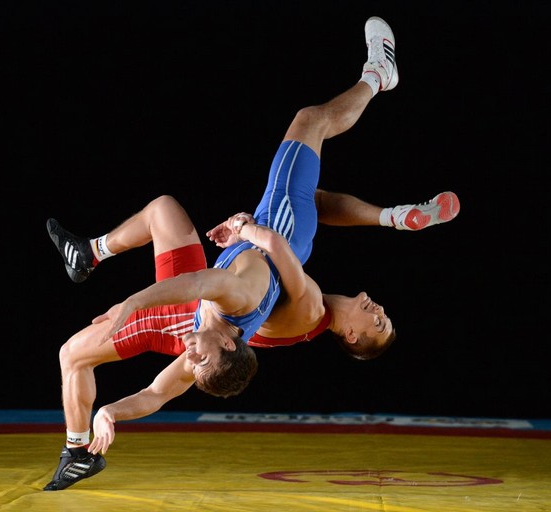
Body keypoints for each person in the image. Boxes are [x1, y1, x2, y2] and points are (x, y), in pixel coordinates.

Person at [43, 16, 458, 491]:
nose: (189, 355)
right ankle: (387, 167)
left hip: (198, 295)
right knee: (300, 143)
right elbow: (226, 276)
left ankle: (377, 80)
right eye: (198, 358)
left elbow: (158, 391)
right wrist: (248, 231)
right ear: (225, 344)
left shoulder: (236, 331)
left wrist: (111, 410)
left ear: (350, 336)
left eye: (377, 322)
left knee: (302, 136)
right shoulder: (252, 307)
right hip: (267, 238)